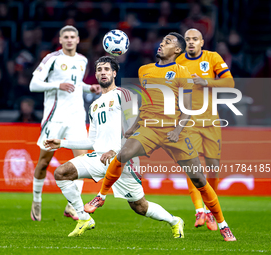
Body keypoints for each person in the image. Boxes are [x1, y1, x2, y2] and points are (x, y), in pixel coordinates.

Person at [86, 32, 236, 242]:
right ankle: (101, 196)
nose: (161, 44)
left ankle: (223, 225)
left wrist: (177, 130)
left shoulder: (181, 71)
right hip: (149, 128)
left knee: (199, 180)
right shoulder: (144, 70)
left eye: (168, 42)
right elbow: (147, 103)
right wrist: (134, 126)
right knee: (123, 154)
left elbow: (187, 107)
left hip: (175, 130)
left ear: (177, 50)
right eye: (162, 41)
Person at [44, 56, 185, 238]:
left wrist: (116, 150)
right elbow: (92, 142)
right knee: (61, 173)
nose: (103, 72)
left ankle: (175, 221)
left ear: (114, 73)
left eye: (107, 69)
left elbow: (137, 129)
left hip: (124, 159)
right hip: (100, 157)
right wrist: (61, 143)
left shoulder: (124, 95)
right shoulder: (94, 106)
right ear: (95, 74)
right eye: (100, 70)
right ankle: (84, 218)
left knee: (140, 206)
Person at [29, 25, 101, 222]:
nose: (69, 40)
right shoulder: (52, 59)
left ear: (78, 40)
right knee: (43, 162)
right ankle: (36, 200)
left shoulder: (82, 60)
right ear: (60, 40)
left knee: (83, 163)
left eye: (72, 37)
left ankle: (72, 206)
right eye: (66, 37)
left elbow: (76, 85)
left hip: (77, 117)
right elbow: (33, 85)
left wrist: (89, 89)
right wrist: (56, 85)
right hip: (55, 118)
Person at [175, 28, 235, 230]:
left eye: (195, 39)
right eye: (188, 39)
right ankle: (199, 211)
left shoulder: (212, 57)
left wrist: (206, 81)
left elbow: (230, 82)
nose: (191, 42)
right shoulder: (178, 62)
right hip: (188, 121)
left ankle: (210, 211)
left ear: (202, 42)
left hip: (211, 122)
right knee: (192, 166)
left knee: (212, 168)